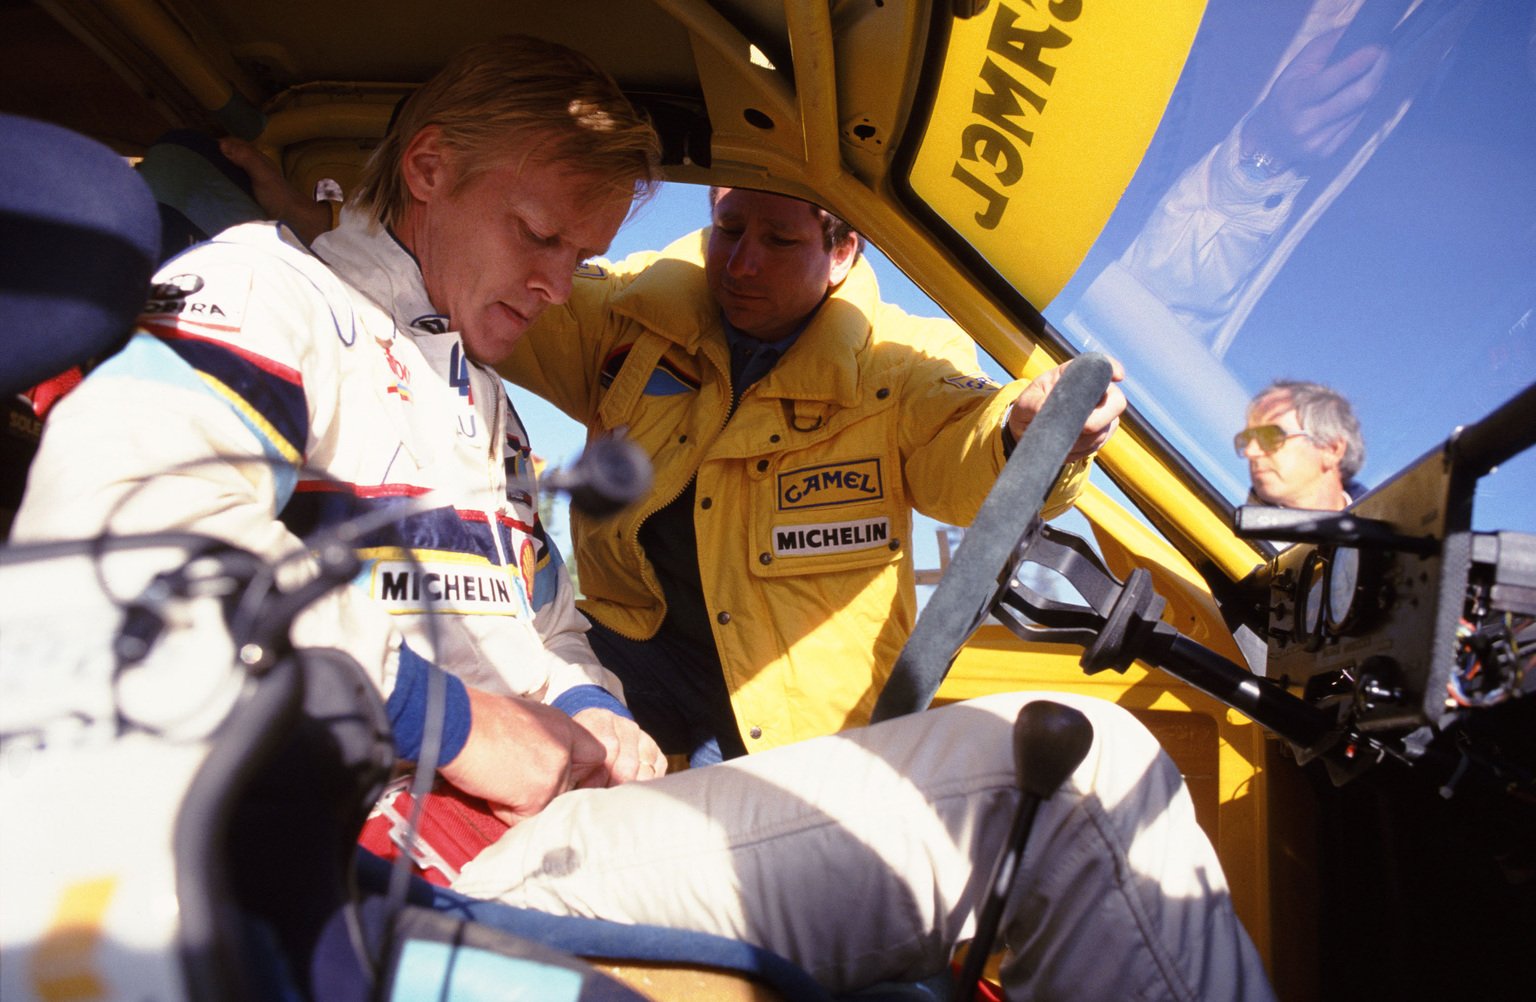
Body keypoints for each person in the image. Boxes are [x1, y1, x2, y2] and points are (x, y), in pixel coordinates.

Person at [12, 36, 1271, 1001]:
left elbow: (547, 624)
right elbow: (134, 539)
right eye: (537, 234)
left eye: (584, 252)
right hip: (413, 845)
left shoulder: (484, 409)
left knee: (1072, 765)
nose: (559, 284)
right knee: (1077, 778)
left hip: (570, 809)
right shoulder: (270, 294)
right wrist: (448, 720)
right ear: (430, 167)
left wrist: (596, 717)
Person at [503, 186, 1126, 764]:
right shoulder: (630, 310)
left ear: (841, 252)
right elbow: (491, 291)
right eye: (729, 227)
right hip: (630, 651)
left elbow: (966, 442)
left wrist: (1030, 432)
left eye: (779, 241)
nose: (741, 264)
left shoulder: (906, 362)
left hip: (791, 708)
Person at [1236, 379, 1366, 510]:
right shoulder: (1231, 525)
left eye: (1270, 436)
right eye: (1245, 439)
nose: (1250, 451)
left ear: (1331, 450)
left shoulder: (1383, 522)